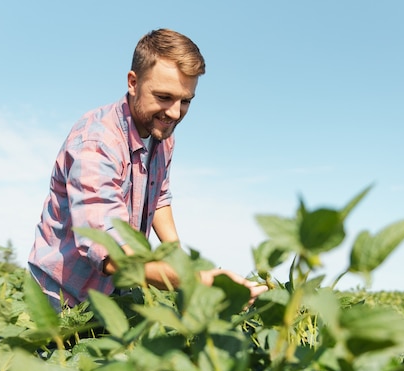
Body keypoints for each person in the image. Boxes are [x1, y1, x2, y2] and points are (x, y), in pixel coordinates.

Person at [28, 28, 266, 310]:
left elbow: (159, 196)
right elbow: (111, 253)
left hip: (111, 293)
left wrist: (178, 259)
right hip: (60, 295)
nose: (175, 113)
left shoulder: (161, 135)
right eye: (164, 97)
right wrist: (196, 281)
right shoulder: (97, 141)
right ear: (133, 82)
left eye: (185, 100)